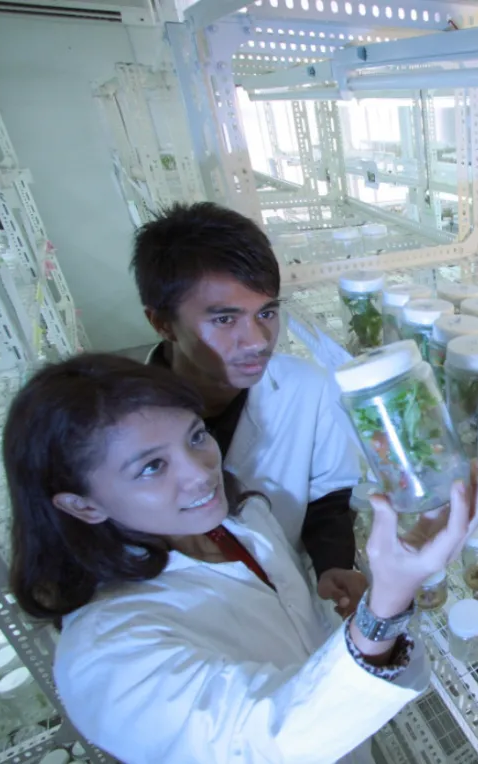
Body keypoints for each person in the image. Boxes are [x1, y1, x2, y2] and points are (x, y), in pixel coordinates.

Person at [5, 354, 478, 763]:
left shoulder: (236, 520)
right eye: (152, 466)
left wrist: (358, 610)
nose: (201, 472)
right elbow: (267, 740)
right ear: (83, 504)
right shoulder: (105, 659)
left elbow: (295, 641)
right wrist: (385, 605)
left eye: (195, 437)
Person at [132, 202, 365, 615]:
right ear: (162, 323)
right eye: (225, 320)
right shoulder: (123, 432)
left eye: (267, 312)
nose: (257, 340)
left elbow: (327, 495)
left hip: (295, 599)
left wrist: (333, 565)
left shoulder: (307, 388)